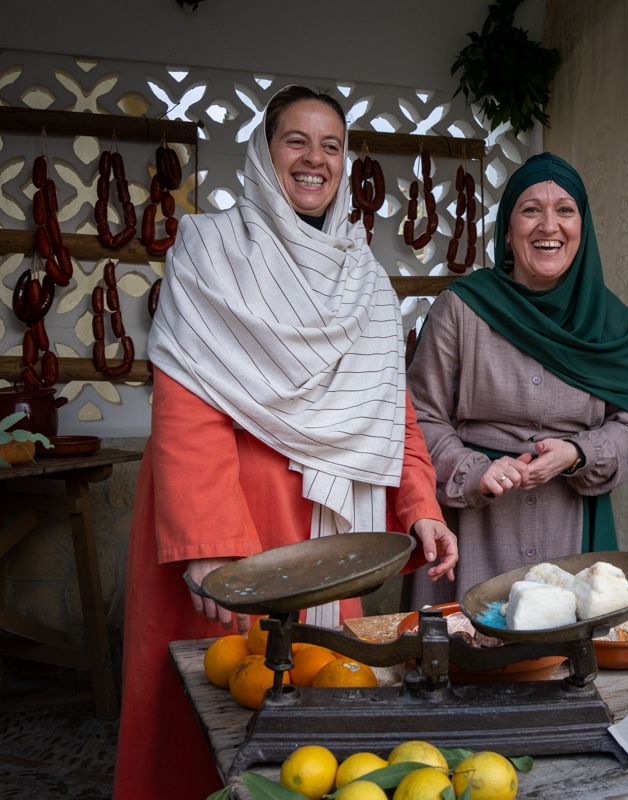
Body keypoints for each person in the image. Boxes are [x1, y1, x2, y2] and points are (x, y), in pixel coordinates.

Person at [113, 85, 457, 799]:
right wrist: (208, 542)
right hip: (227, 517)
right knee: (209, 702)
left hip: (325, 528)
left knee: (317, 706)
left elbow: (389, 407)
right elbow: (184, 399)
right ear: (264, 155)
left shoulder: (364, 279)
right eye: (295, 140)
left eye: (331, 145)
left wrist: (420, 502)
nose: (315, 158)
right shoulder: (208, 251)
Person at [405, 152, 628, 608]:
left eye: (565, 210)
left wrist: (579, 453)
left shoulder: (613, 324)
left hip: (571, 529)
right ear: (507, 228)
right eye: (530, 210)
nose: (548, 226)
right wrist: (476, 471)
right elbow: (419, 419)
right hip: (473, 532)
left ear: (583, 226)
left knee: (564, 664)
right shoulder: (461, 310)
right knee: (468, 656)